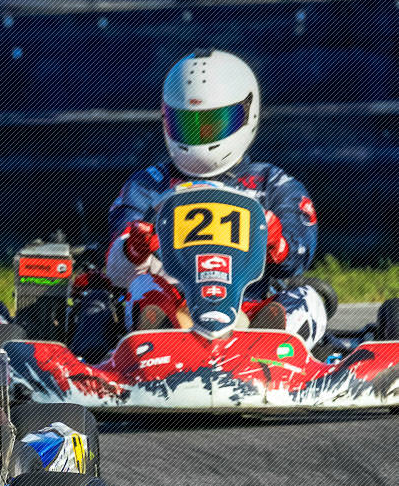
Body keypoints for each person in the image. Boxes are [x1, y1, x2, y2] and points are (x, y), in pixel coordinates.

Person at [104, 49, 326, 344]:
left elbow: (299, 256)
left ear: (247, 113)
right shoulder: (148, 185)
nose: (199, 135)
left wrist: (277, 244)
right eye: (187, 124)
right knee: (141, 286)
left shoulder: (272, 183)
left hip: (249, 308)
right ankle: (160, 339)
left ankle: (269, 341)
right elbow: (115, 273)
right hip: (177, 310)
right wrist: (134, 248)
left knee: (308, 297)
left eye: (212, 124)